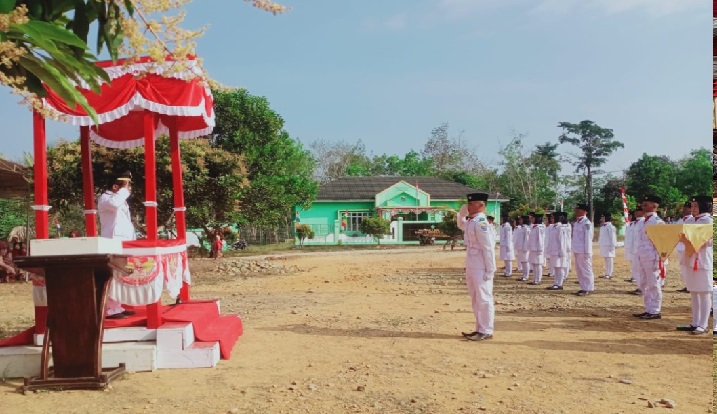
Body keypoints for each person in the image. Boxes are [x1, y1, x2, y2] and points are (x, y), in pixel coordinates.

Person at [98, 171, 137, 320]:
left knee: (120, 275)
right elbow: (114, 204)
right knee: (113, 276)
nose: (128, 189)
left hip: (122, 242)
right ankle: (110, 309)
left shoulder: (119, 199)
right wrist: (123, 190)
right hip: (112, 241)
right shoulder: (105, 199)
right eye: (126, 185)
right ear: (115, 187)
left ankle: (117, 306)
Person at [460, 192, 495, 342]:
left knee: (484, 298)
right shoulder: (472, 221)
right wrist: (460, 214)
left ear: (481, 206)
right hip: (472, 263)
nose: (468, 206)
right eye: (468, 203)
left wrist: (490, 269)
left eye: (471, 203)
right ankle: (479, 328)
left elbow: (488, 247)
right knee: (475, 298)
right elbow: (461, 225)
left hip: (481, 265)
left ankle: (487, 330)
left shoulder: (482, 223)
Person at [675, 196, 713, 334]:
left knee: (704, 292)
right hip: (689, 258)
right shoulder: (690, 220)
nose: (693, 208)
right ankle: (695, 322)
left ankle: (703, 325)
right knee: (694, 291)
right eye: (693, 205)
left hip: (702, 259)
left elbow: (708, 241)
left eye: (696, 205)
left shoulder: (708, 220)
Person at [632, 195, 665, 320]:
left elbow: (661, 243)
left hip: (652, 257)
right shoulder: (642, 221)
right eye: (643, 204)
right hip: (642, 255)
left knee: (653, 283)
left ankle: (655, 310)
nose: (643, 206)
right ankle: (648, 308)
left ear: (655, 206)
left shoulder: (658, 222)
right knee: (643, 283)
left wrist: (659, 260)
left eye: (647, 204)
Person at [571, 203, 594, 296]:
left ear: (584, 211)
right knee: (579, 270)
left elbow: (588, 238)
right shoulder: (577, 223)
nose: (576, 211)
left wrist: (587, 252)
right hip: (577, 250)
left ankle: (588, 288)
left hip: (583, 251)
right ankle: (583, 287)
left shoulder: (586, 223)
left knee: (586, 269)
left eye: (578, 210)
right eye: (576, 209)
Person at [546, 212, 571, 290]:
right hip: (554, 250)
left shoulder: (561, 227)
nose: (551, 219)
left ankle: (559, 284)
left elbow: (562, 240)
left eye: (553, 218)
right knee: (556, 267)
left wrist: (562, 251)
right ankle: (556, 283)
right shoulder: (554, 227)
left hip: (559, 251)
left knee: (560, 267)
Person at [674, 202, 693, 293]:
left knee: (689, 267)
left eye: (687, 208)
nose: (685, 209)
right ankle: (687, 285)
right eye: (684, 208)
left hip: (687, 247)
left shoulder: (692, 220)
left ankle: (690, 285)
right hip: (679, 247)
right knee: (683, 268)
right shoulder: (681, 220)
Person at [527, 213, 546, 285]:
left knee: (538, 264)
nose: (531, 219)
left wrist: (540, 249)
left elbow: (540, 239)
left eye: (533, 218)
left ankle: (538, 279)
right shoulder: (533, 227)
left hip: (538, 249)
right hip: (533, 248)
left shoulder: (539, 227)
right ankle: (535, 279)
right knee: (534, 264)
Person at [597, 213, 617, 279]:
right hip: (604, 245)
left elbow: (613, 237)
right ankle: (606, 273)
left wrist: (613, 245)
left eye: (602, 217)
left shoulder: (611, 227)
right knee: (606, 259)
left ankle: (609, 274)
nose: (601, 218)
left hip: (609, 245)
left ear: (606, 218)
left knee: (609, 259)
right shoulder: (602, 227)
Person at [515, 215, 531, 281]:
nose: (519, 221)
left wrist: (525, 248)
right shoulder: (521, 228)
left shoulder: (526, 228)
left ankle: (526, 276)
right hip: (520, 247)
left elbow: (527, 239)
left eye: (521, 220)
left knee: (525, 262)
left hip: (524, 248)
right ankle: (524, 275)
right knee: (522, 262)